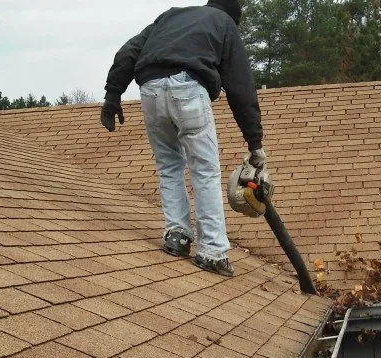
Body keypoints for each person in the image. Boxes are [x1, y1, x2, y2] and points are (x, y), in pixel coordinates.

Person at [100, 0, 265, 277]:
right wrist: (254, 142)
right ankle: (211, 250)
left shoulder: (172, 15)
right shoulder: (224, 24)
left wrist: (112, 95)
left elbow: (129, 50)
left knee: (169, 165)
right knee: (205, 171)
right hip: (188, 87)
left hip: (150, 91)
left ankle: (177, 235)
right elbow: (241, 86)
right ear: (233, 17)